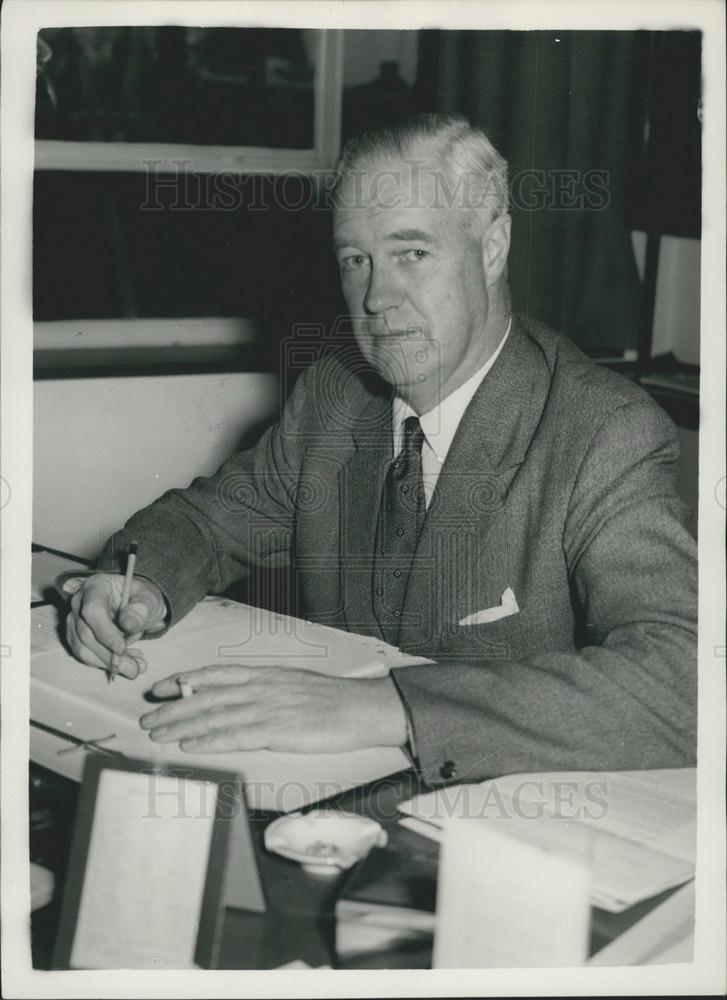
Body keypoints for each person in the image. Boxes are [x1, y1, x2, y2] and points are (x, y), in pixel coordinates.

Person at [65, 114, 697, 787]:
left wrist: (388, 706)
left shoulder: (601, 430)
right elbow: (208, 522)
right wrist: (136, 586)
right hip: (325, 794)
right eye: (355, 260)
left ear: (491, 248)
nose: (376, 298)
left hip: (507, 817)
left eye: (411, 254)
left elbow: (684, 680)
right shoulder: (337, 395)